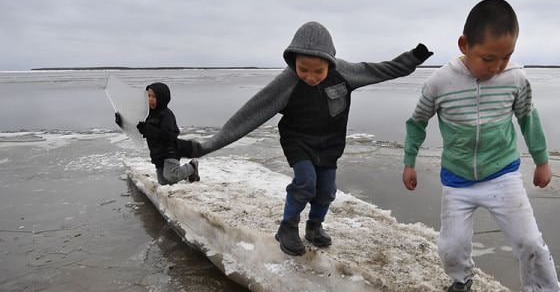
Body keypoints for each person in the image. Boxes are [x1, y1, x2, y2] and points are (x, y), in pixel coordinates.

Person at [401, 0, 560, 292]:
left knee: (529, 241)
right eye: (488, 58)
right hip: (457, 181)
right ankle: (461, 280)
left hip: (503, 175)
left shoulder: (515, 79)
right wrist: (409, 161)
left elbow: (528, 117)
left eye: (506, 57)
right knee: (451, 246)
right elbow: (417, 123)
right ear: (464, 45)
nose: (498, 66)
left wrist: (542, 160)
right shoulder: (439, 83)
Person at [178, 21, 432, 255]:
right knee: (306, 183)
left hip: (330, 146)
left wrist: (413, 58)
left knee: (326, 190)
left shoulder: (344, 72)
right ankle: (287, 228)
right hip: (298, 141)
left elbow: (379, 70)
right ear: (294, 62)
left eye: (318, 71)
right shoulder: (287, 81)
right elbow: (250, 114)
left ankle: (314, 226)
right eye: (303, 69)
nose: (310, 76)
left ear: (330, 63)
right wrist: (203, 146)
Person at [114, 82, 200, 186]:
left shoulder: (167, 114)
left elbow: (169, 135)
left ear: (162, 98)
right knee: (163, 182)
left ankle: (192, 166)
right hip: (157, 154)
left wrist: (148, 129)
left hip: (170, 151)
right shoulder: (147, 114)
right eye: (148, 96)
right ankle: (186, 174)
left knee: (170, 176)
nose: (150, 99)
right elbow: (137, 129)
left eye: (154, 97)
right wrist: (122, 122)